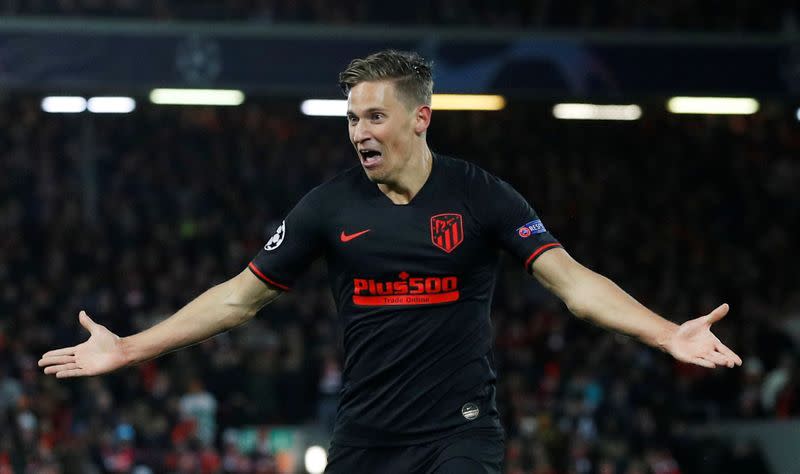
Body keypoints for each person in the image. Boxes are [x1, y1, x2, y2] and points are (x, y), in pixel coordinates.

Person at [39, 50, 742, 474]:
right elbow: (237, 299)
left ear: (419, 117)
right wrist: (130, 348)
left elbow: (575, 285)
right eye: (351, 118)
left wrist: (664, 331)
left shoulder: (481, 196)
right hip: (367, 437)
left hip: (459, 432)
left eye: (374, 116)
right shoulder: (328, 208)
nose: (358, 133)